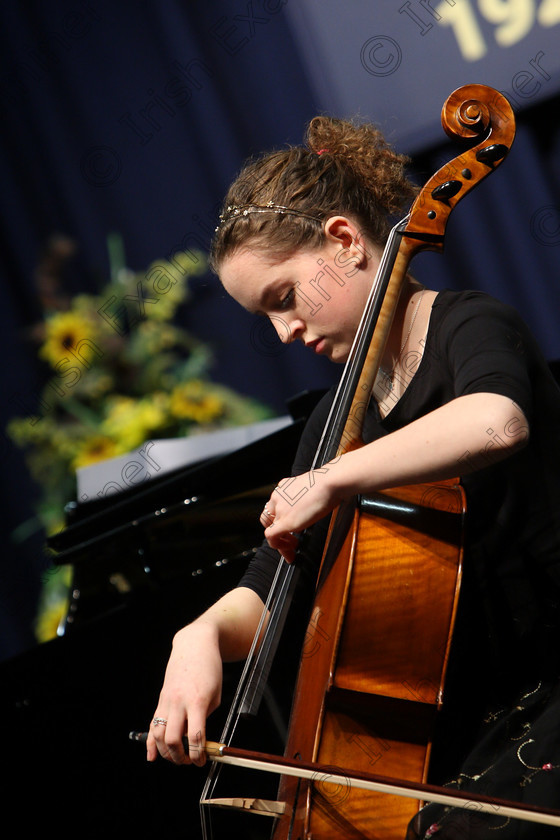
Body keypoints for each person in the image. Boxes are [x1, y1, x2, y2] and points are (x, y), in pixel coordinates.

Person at [146, 116, 560, 838]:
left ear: (343, 242)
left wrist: (338, 477)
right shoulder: (337, 422)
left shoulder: (469, 325)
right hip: (474, 737)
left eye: (283, 298)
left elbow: (496, 420)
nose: (284, 334)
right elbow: (273, 587)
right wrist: (201, 634)